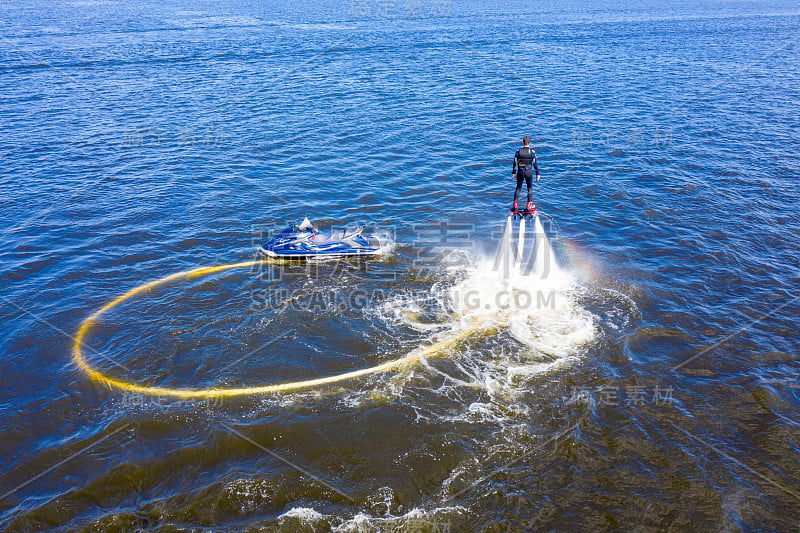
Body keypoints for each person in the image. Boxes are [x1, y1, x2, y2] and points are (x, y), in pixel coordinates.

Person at [511, 136, 540, 215]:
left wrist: (514, 172)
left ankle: (515, 205)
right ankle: (528, 205)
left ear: (522, 142)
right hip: (528, 171)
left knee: (518, 188)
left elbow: (515, 162)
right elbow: (535, 163)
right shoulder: (532, 152)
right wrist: (537, 174)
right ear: (529, 143)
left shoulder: (518, 151)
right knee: (529, 188)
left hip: (520, 171)